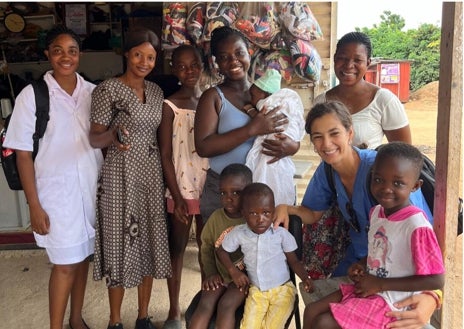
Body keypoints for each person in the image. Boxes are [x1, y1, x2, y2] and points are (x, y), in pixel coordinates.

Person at [274, 101, 439, 328]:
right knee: (315, 309)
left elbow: (423, 235)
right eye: (318, 137)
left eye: (334, 134)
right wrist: (287, 208)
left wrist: (433, 295)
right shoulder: (327, 171)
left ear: (350, 133)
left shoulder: (381, 173)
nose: (327, 144)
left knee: (326, 321)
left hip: (395, 274)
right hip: (365, 260)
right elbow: (312, 212)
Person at [3, 25, 103, 329]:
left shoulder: (92, 92)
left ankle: (76, 320)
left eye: (72, 51)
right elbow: (22, 154)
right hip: (56, 197)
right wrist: (34, 205)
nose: (65, 57)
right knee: (64, 266)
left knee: (83, 258)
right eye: (58, 50)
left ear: (80, 55)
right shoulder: (32, 96)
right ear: (48, 54)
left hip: (90, 191)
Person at [303, 142, 445, 329]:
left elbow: (436, 279)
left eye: (398, 183)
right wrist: (362, 264)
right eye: (378, 180)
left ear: (415, 186)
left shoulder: (416, 226)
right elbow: (381, 252)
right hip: (372, 288)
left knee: (324, 323)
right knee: (312, 311)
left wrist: (380, 284)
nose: (386, 188)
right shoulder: (377, 212)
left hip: (394, 301)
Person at [89, 28, 170, 329]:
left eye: (150, 57)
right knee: (118, 245)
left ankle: (143, 316)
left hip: (150, 177)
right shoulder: (107, 90)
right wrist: (112, 135)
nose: (144, 62)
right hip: (118, 177)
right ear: (127, 53)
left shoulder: (158, 92)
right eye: (138, 54)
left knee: (147, 244)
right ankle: (114, 321)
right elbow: (94, 138)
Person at [194, 25, 299, 222]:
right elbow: (203, 146)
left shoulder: (266, 93)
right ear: (216, 63)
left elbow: (288, 128)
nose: (233, 60)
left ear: (249, 53)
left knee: (260, 250)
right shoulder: (213, 97)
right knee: (222, 248)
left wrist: (292, 147)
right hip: (224, 192)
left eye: (239, 53)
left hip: (261, 188)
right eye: (224, 57)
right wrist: (251, 129)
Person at [158, 44, 209, 329]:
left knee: (206, 250)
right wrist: (176, 196)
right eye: (181, 66)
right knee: (176, 248)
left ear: (202, 66)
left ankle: (204, 303)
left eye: (193, 65)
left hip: (209, 186)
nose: (188, 71)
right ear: (174, 69)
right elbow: (165, 154)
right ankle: (174, 309)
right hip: (181, 189)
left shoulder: (211, 100)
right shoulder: (170, 105)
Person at [217, 182, 313, 329]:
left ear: (273, 213)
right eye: (253, 213)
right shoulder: (239, 233)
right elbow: (221, 251)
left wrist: (305, 278)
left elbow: (294, 262)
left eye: (266, 213)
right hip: (257, 292)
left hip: (282, 291)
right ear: (243, 213)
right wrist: (233, 271)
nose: (260, 218)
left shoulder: (281, 235)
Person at [314, 31, 411, 149]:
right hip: (328, 168)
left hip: (372, 168)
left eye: (358, 60)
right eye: (342, 58)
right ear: (334, 59)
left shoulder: (384, 100)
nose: (349, 65)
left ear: (368, 63)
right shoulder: (321, 102)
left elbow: (405, 154)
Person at [188, 163, 252, 329]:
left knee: (226, 306)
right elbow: (207, 248)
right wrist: (211, 274)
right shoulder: (216, 218)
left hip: (244, 280)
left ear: (249, 191)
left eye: (236, 192)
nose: (228, 198)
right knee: (206, 304)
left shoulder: (253, 219)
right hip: (221, 276)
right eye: (223, 192)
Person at [244, 69, 305, 205]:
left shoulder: (271, 104)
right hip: (279, 159)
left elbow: (262, 121)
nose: (251, 100)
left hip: (271, 158)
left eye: (253, 95)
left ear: (265, 94)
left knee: (267, 185)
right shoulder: (283, 104)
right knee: (278, 188)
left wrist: (250, 109)